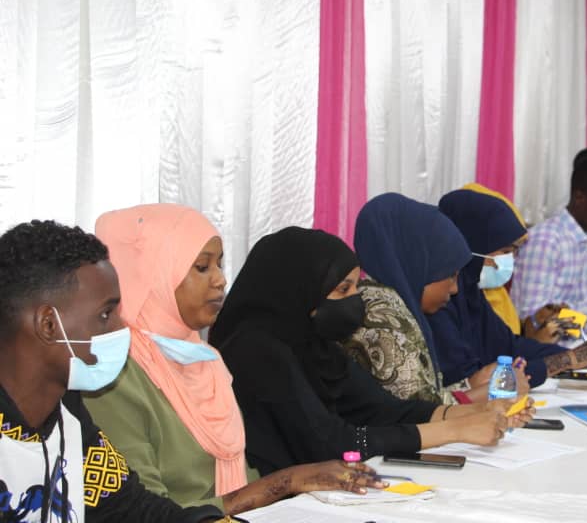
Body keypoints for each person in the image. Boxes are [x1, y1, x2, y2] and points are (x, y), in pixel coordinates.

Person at [83, 204, 379, 515]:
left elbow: (242, 476)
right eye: (202, 267)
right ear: (151, 275)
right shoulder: (113, 375)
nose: (220, 280)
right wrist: (287, 481)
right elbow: (144, 514)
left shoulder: (205, 360)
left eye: (219, 266)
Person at [208, 226, 530, 476]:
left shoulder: (316, 345)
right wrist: (453, 430)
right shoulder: (256, 351)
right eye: (343, 289)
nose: (356, 301)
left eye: (356, 287)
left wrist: (479, 413)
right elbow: (335, 443)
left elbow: (385, 410)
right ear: (301, 291)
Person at [0, 219, 224, 522]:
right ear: (49, 325)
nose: (121, 328)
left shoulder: (68, 416)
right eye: (106, 314)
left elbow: (133, 510)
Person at [429, 188, 587, 392]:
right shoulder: (437, 300)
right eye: (506, 251)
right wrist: (565, 360)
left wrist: (581, 354)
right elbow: (470, 382)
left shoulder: (470, 293)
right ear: (475, 243)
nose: (511, 261)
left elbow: (509, 346)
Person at [348, 193, 489, 403]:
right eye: (450, 275)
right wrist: (479, 397)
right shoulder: (381, 316)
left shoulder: (394, 302)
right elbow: (418, 409)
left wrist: (468, 385)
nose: (454, 289)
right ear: (419, 264)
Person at [512, 150, 587, 330]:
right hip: (545, 352)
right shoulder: (545, 242)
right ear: (579, 197)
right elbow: (535, 322)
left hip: (580, 342)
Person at [460, 183, 567, 344]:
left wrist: (532, 323)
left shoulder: (496, 292)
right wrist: (537, 344)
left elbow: (508, 339)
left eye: (515, 251)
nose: (511, 259)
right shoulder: (455, 300)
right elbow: (491, 360)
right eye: (505, 250)